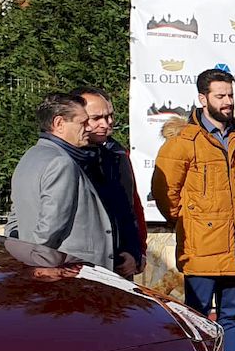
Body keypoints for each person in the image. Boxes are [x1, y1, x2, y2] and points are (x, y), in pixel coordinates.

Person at [153, 68, 235, 351]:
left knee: (231, 316)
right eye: (220, 96)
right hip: (201, 247)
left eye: (230, 96)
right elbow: (164, 191)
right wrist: (192, 221)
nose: (228, 102)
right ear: (203, 99)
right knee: (199, 318)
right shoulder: (183, 141)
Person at [8, 92, 116, 270]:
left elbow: (15, 216)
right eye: (82, 122)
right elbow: (50, 227)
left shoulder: (30, 156)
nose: (88, 128)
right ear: (59, 123)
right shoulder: (62, 162)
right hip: (72, 267)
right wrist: (36, 257)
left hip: (46, 264)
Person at [71, 87, 145, 278]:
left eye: (110, 116)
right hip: (80, 267)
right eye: (97, 118)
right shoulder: (62, 158)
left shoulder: (118, 154)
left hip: (121, 264)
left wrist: (136, 252)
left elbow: (130, 207)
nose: (107, 123)